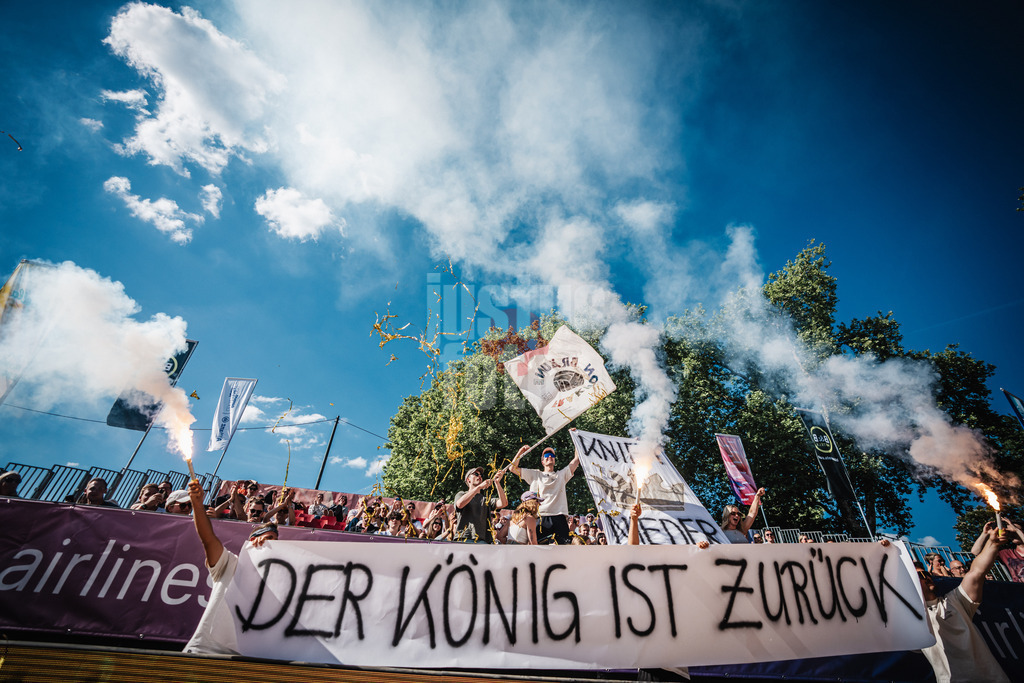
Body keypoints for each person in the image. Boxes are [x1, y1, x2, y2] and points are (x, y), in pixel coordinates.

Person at [182, 479, 278, 655]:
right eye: (267, 537)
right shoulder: (229, 563)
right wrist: (197, 504)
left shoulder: (274, 583)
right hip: (202, 652)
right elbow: (208, 539)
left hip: (241, 661)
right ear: (252, 540)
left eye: (275, 540)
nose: (270, 543)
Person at [918, 526, 1010, 682]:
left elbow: (976, 572)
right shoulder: (911, 621)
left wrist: (992, 544)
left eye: (925, 573)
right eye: (919, 575)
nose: (926, 577)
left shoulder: (955, 600)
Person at [509, 445, 579, 544]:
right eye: (546, 455)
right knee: (538, 547)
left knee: (566, 546)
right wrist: (521, 452)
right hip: (541, 516)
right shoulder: (534, 474)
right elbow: (512, 468)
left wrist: (576, 439)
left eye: (552, 455)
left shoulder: (561, 475)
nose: (549, 457)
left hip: (559, 516)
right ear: (542, 461)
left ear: (554, 460)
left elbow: (576, 460)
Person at [455, 467, 507, 543]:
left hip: (482, 540)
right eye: (476, 474)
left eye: (481, 475)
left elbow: (503, 503)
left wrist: (497, 483)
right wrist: (479, 487)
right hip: (465, 538)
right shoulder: (461, 494)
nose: (479, 476)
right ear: (468, 479)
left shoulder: (486, 499)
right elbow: (460, 504)